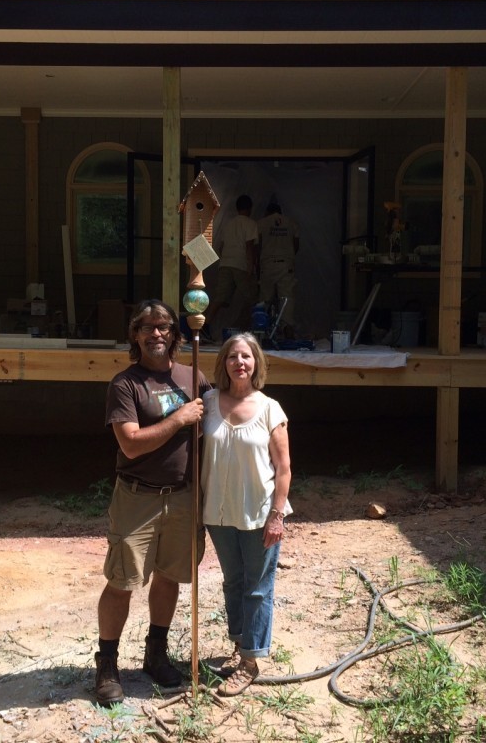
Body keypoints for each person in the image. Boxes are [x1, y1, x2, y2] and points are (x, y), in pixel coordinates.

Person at [95, 298, 212, 706]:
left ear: (176, 335)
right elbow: (129, 444)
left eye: (164, 326)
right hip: (137, 498)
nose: (156, 333)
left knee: (169, 576)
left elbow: (220, 423)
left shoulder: (193, 376)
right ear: (135, 336)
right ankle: (107, 663)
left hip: (183, 497)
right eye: (147, 327)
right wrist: (179, 419)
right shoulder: (126, 384)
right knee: (122, 582)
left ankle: (155, 652)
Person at [200, 332, 292, 696]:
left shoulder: (270, 408)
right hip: (218, 513)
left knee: (257, 587)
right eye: (233, 356)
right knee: (233, 581)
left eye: (247, 357)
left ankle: (251, 661)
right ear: (224, 362)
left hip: (258, 513)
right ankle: (239, 643)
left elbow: (283, 468)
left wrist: (277, 515)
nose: (240, 362)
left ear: (257, 364)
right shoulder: (207, 402)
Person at [204, 194, 259, 335]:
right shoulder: (250, 224)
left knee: (220, 298)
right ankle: (242, 328)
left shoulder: (228, 224)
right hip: (241, 264)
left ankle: (205, 325)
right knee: (253, 299)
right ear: (250, 208)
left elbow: (221, 247)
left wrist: (225, 260)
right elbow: (249, 247)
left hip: (225, 263)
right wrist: (251, 267)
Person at [256, 202, 300, 337]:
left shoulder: (262, 223)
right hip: (285, 265)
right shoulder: (291, 222)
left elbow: (258, 245)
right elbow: (296, 244)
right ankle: (287, 329)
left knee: (265, 299)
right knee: (287, 298)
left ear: (267, 212)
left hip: (268, 264)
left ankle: (261, 331)